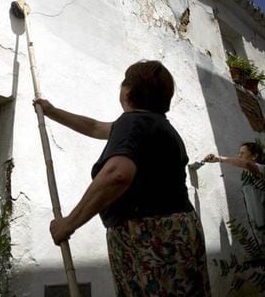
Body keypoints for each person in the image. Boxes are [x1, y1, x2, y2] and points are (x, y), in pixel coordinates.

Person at [34, 60, 211, 296]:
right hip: (179, 232)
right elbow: (95, 127)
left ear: (127, 91)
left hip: (151, 237)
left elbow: (117, 174)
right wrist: (52, 111)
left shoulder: (132, 123)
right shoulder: (158, 127)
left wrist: (69, 224)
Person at [203, 142, 265, 247]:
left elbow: (247, 164)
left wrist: (219, 159)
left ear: (254, 156)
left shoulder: (262, 169)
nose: (239, 156)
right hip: (259, 227)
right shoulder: (249, 176)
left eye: (242, 153)